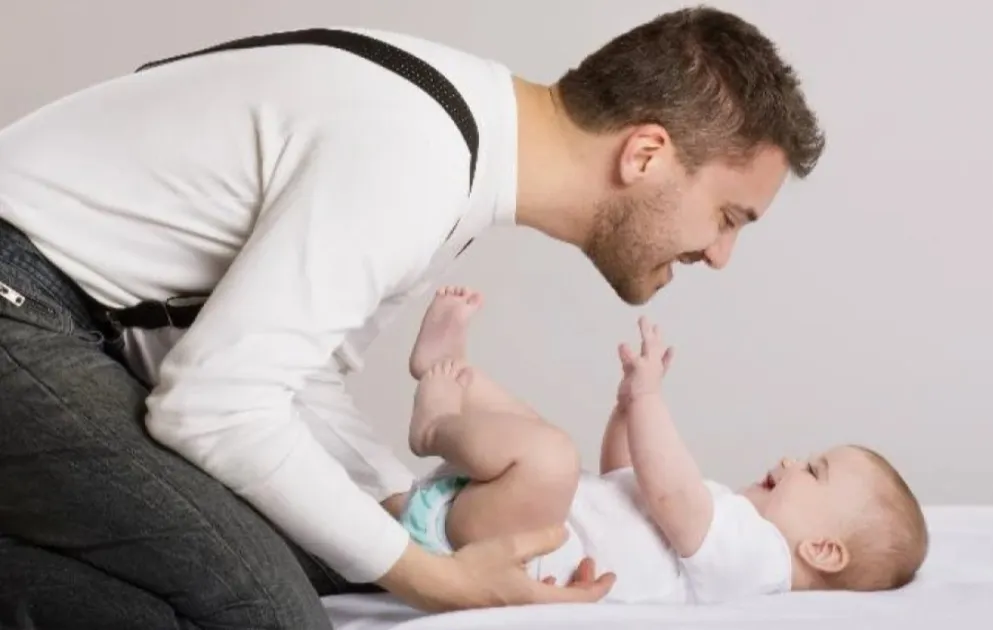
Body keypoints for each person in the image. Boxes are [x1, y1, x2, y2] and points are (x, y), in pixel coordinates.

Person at [0, 5, 825, 629]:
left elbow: (297, 379)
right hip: (20, 299)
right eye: (728, 217)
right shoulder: (414, 156)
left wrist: (404, 511)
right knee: (270, 614)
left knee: (330, 552)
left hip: (67, 323)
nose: (720, 257)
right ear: (645, 154)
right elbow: (213, 404)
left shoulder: (454, 149)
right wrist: (435, 580)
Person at [398, 286, 929, 604]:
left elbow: (671, 494)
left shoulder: (759, 560)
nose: (792, 460)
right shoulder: (732, 519)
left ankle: (437, 424)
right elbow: (624, 477)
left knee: (552, 456)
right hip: (501, 517)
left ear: (823, 551)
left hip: (507, 550)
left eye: (814, 471)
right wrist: (628, 409)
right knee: (542, 438)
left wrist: (650, 397)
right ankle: (450, 370)